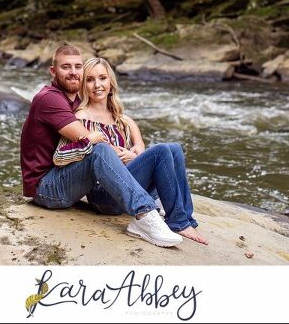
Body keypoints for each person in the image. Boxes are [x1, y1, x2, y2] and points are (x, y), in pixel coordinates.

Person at [19, 44, 183, 247]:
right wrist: (130, 155)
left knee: (169, 149)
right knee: (100, 150)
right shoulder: (50, 98)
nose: (73, 72)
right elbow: (89, 139)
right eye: (66, 67)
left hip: (66, 178)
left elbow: (110, 117)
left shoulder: (75, 99)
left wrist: (136, 145)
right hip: (46, 187)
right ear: (53, 71)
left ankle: (180, 219)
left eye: (78, 67)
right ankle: (144, 214)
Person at [74, 57, 208, 245]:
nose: (97, 85)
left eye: (102, 78)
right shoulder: (81, 118)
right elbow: (93, 156)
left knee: (174, 149)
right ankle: (177, 222)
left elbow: (142, 154)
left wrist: (133, 155)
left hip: (130, 190)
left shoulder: (124, 120)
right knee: (161, 150)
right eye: (90, 79)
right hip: (104, 195)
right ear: (83, 85)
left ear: (110, 83)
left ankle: (185, 217)